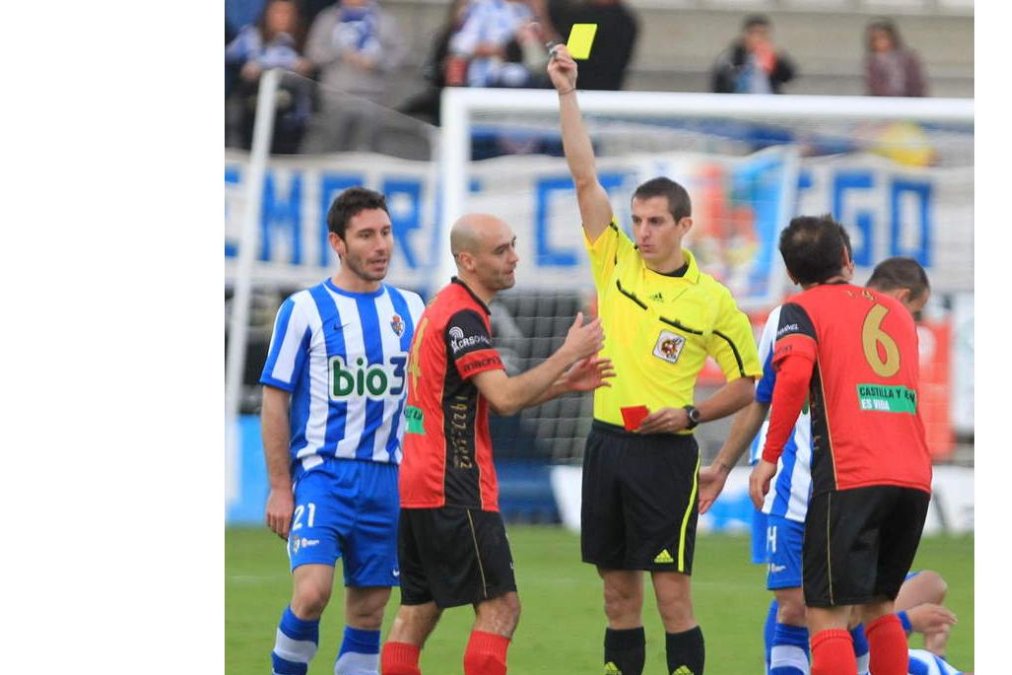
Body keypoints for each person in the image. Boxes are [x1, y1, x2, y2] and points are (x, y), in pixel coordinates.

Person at [549, 47, 762, 675]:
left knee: (673, 597)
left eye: (654, 222)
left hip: (666, 457)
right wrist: (567, 93)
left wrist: (691, 413)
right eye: (637, 220)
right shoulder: (614, 261)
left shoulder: (712, 301)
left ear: (684, 226)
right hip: (606, 444)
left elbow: (750, 383)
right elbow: (585, 178)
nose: (642, 232)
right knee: (618, 596)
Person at [378, 213, 614, 675]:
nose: (514, 258)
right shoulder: (463, 316)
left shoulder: (443, 307)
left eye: (513, 245)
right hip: (454, 483)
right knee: (501, 608)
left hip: (420, 482)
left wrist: (563, 385)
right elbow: (504, 399)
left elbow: (482, 399)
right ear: (467, 260)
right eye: (501, 250)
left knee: (417, 614)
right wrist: (568, 353)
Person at [698, 253, 937, 675]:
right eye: (915, 310)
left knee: (846, 606)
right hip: (792, 485)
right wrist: (732, 464)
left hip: (849, 483)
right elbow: (766, 396)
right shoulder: (793, 317)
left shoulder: (886, 330)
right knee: (798, 603)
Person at [259, 186, 426, 675]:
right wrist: (279, 488)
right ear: (338, 242)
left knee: (369, 611)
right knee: (311, 594)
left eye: (387, 233)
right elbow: (275, 399)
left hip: (388, 481)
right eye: (367, 235)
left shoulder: (412, 309)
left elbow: (420, 399)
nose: (382, 246)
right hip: (323, 475)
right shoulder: (304, 310)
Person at [304, 0, 406, 151]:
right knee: (331, 149)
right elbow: (313, 52)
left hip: (373, 97)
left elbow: (400, 55)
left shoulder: (385, 20)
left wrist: (377, 62)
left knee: (367, 150)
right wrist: (339, 53)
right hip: (335, 95)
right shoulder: (328, 18)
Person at [225, 0, 316, 153]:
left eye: (287, 13)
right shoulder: (251, 37)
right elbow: (229, 57)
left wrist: (306, 67)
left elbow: (316, 62)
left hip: (290, 113)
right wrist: (244, 68)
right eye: (277, 13)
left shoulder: (304, 41)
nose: (282, 18)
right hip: (252, 106)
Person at [447, 0, 557, 89]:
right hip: (489, 81)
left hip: (527, 83)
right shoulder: (483, 7)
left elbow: (553, 49)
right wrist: (501, 50)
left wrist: (540, 13)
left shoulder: (526, 10)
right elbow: (459, 45)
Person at [551, 0, 640, 91]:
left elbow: (569, 64)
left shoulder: (589, 18)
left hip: (581, 91)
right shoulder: (626, 20)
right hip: (604, 91)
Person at [710, 15, 797, 95]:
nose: (759, 38)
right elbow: (721, 84)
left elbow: (788, 76)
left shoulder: (772, 56)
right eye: (755, 33)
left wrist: (779, 58)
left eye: (763, 34)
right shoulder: (730, 57)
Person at [864, 18, 928, 97]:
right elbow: (875, 87)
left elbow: (917, 85)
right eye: (875, 39)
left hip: (910, 104)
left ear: (892, 38)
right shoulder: (872, 63)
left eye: (883, 37)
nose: (880, 42)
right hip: (883, 105)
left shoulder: (908, 58)